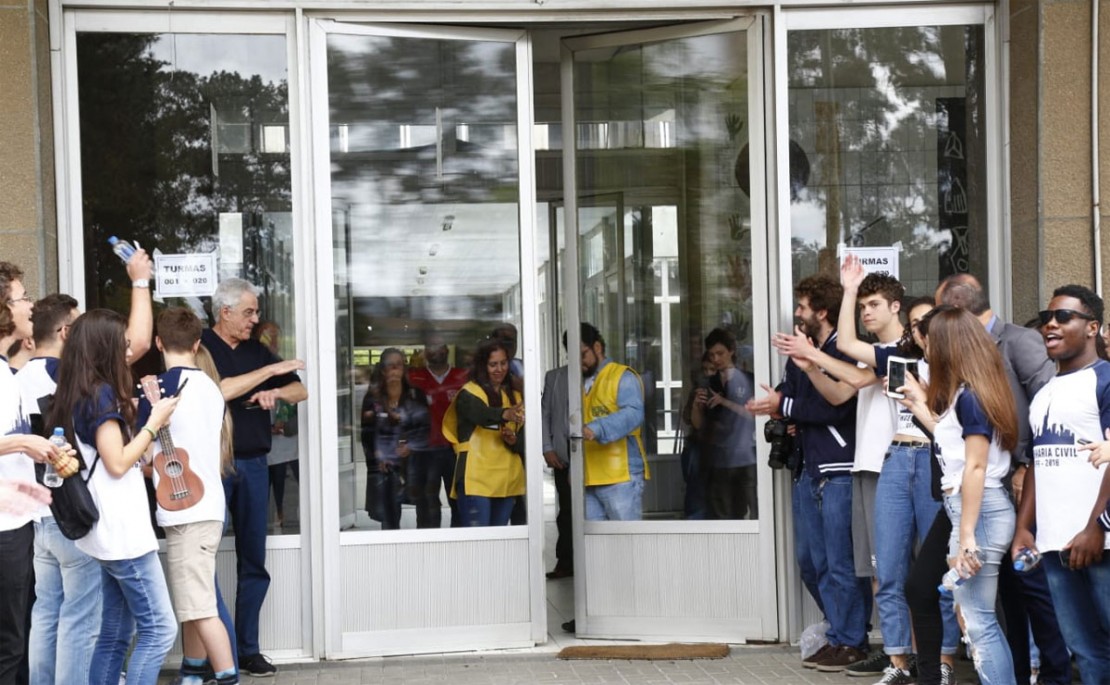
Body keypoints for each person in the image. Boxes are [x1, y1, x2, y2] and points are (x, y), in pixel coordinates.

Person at [937, 274, 1069, 685]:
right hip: (987, 498)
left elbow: (1047, 411)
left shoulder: (1010, 350)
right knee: (992, 610)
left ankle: (1052, 673)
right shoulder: (968, 389)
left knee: (999, 611)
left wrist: (968, 534)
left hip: (999, 498)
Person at [47, 309, 180, 685]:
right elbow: (118, 463)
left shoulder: (78, 391)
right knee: (159, 630)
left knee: (116, 633)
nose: (128, 351)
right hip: (122, 535)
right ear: (105, 347)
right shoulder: (100, 395)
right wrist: (154, 423)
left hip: (106, 533)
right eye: (122, 344)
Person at [747, 274, 868, 673]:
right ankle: (842, 631)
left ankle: (850, 640)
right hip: (807, 467)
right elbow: (790, 392)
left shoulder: (843, 350)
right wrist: (777, 403)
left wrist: (787, 408)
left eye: (801, 307)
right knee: (811, 563)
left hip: (838, 468)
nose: (796, 314)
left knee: (839, 563)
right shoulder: (803, 348)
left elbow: (836, 408)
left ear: (821, 311)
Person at [898, 306, 1018, 685]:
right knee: (974, 619)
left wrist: (966, 535)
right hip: (969, 510)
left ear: (947, 345)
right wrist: (919, 406)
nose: (925, 345)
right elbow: (959, 454)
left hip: (978, 513)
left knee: (979, 623)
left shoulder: (970, 397)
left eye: (930, 338)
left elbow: (976, 468)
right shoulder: (968, 393)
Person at [201, 278, 307, 677]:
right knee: (203, 559)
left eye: (256, 312)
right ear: (224, 312)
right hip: (213, 466)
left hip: (255, 465)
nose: (255, 320)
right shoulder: (202, 348)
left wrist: (275, 393)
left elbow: (300, 390)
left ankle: (248, 649)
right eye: (248, 312)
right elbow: (218, 391)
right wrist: (271, 370)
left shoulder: (255, 349)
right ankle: (214, 652)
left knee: (253, 560)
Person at [137, 307, 238, 685]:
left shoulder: (157, 389)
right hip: (211, 505)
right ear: (197, 344)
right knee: (196, 602)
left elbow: (144, 451)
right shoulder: (211, 388)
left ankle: (229, 677)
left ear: (159, 343)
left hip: (184, 514)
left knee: (199, 606)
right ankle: (193, 674)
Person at [1015, 285, 1110, 683]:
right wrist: (1024, 526)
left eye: (1063, 317)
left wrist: (1096, 527)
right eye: (1046, 317)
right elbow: (1039, 462)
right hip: (1055, 544)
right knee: (1086, 652)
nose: (1050, 324)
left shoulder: (1105, 379)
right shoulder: (1045, 392)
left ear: (1093, 328)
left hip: (1101, 542)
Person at [0, 262, 76, 685]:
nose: (30, 303)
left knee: (19, 636)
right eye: (21, 296)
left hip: (18, 520)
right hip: (4, 526)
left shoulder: (9, 372)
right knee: (10, 643)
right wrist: (26, 443)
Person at [443, 337, 525, 527]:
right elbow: (480, 414)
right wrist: (505, 414)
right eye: (493, 364)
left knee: (498, 541)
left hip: (507, 478)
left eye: (503, 363)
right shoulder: (468, 393)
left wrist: (512, 440)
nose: (499, 369)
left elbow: (525, 440)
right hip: (475, 479)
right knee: (478, 544)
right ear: (482, 366)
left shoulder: (515, 396)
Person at [578, 323, 649, 522]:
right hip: (588, 477)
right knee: (595, 548)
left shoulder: (622, 376)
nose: (579, 362)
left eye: (583, 354)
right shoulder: (578, 382)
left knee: (625, 545)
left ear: (597, 348)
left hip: (621, 477)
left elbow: (634, 413)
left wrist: (596, 428)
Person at [691, 327, 756, 520]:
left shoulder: (748, 379)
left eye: (720, 353)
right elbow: (697, 424)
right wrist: (696, 405)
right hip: (718, 457)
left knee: (753, 513)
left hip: (746, 455)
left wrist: (724, 402)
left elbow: (753, 416)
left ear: (732, 351)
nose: (716, 359)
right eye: (712, 355)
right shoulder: (708, 383)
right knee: (721, 516)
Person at [360, 348, 429, 530]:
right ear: (383, 370)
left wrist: (412, 446)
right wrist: (378, 457)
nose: (395, 370)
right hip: (386, 466)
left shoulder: (416, 394)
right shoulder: (373, 397)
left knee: (425, 511)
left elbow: (425, 428)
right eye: (390, 366)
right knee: (389, 516)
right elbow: (367, 433)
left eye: (399, 365)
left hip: (413, 463)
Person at [408, 332, 469, 528]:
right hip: (425, 450)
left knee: (459, 500)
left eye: (439, 346)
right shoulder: (413, 377)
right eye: (431, 347)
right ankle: (428, 545)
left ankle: (458, 543)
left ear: (446, 350)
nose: (435, 351)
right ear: (425, 352)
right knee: (427, 502)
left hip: (456, 449)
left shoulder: (463, 377)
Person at [256, 321, 299, 531]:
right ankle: (269, 522)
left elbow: (301, 399)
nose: (273, 341)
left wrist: (287, 426)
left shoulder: (285, 368)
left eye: (276, 336)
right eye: (267, 336)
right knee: (268, 489)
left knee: (292, 487)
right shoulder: (253, 370)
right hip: (265, 445)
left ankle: (290, 522)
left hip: (290, 443)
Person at [541, 352, 571, 577]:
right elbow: (545, 414)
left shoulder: (601, 377)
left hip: (595, 455)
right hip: (564, 455)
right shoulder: (555, 377)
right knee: (566, 512)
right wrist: (547, 448)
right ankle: (565, 561)